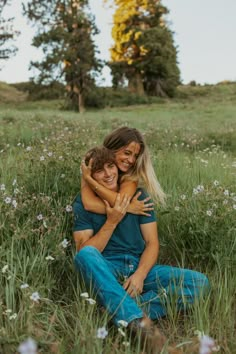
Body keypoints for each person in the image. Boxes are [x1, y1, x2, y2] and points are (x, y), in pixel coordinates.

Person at [73, 147, 210, 353]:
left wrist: (140, 274)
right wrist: (112, 221)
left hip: (139, 267)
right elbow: (85, 250)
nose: (108, 174)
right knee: (85, 255)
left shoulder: (138, 196)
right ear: (90, 176)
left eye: (111, 166)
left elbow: (152, 243)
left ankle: (117, 310)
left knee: (200, 284)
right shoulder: (83, 203)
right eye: (99, 170)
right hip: (107, 268)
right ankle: (142, 327)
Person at [80, 126, 165, 216]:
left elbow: (121, 201)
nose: (132, 160)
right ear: (112, 149)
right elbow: (89, 204)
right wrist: (129, 208)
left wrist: (88, 179)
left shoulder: (132, 175)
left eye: (135, 156)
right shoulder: (92, 161)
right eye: (127, 153)